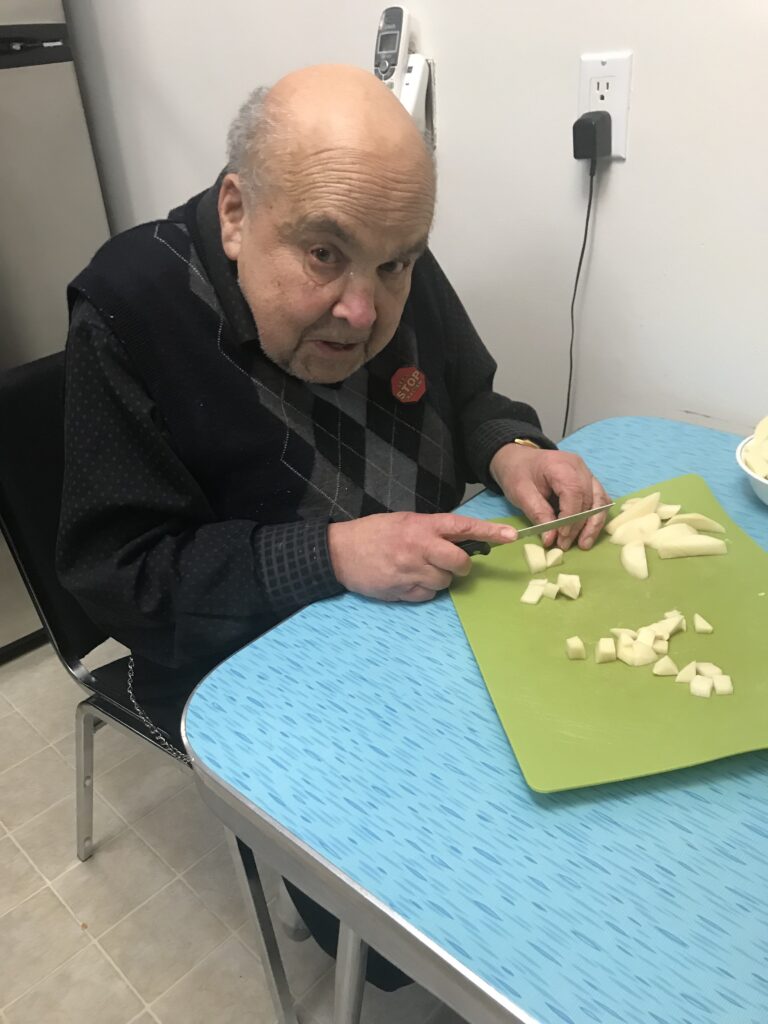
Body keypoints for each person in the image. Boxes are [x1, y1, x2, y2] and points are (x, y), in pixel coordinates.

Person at [57, 64, 610, 989]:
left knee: (578, 779)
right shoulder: (128, 310)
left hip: (434, 604)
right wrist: (330, 555)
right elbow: (121, 576)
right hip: (248, 657)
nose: (365, 311)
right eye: (324, 256)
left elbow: (470, 393)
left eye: (396, 264)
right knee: (425, 929)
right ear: (235, 212)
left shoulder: (383, 243)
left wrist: (512, 448)